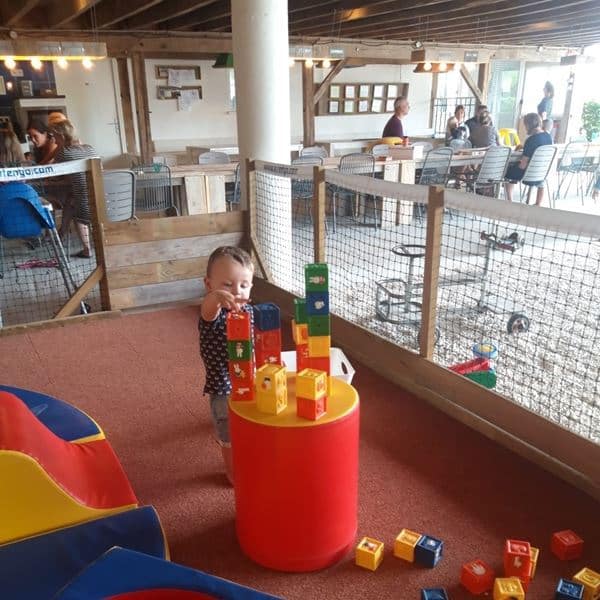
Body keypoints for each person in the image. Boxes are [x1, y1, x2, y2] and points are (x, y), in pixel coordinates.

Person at [199, 246, 254, 485]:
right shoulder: (213, 314)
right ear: (208, 284)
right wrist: (216, 298)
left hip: (248, 378)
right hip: (223, 386)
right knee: (228, 431)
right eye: (227, 285)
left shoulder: (248, 309)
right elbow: (208, 309)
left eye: (243, 285)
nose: (236, 292)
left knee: (250, 419)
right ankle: (232, 470)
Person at [50, 118, 98, 258]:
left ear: (62, 136)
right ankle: (62, 232)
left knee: (78, 215)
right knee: (71, 200)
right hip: (99, 197)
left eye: (55, 136)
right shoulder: (90, 148)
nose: (54, 141)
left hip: (84, 202)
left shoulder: (64, 152)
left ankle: (86, 249)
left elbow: (55, 174)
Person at [504, 112, 553, 205]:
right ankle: (538, 203)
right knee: (540, 178)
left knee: (508, 171)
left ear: (528, 125)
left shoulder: (531, 140)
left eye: (525, 125)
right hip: (542, 172)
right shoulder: (548, 137)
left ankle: (509, 202)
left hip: (529, 174)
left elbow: (523, 165)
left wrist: (514, 165)